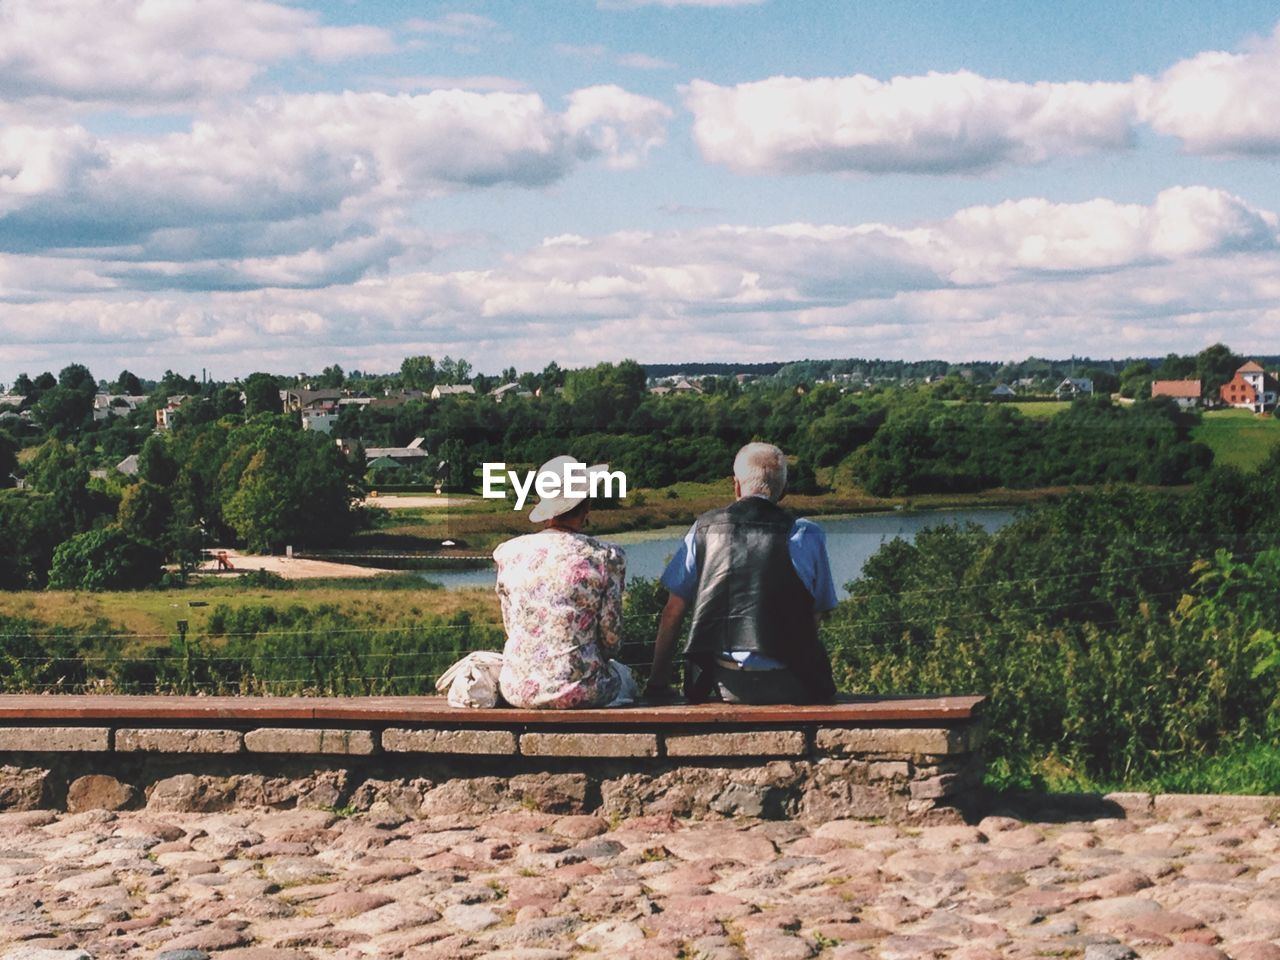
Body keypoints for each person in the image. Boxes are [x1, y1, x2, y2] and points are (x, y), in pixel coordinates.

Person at [645, 442, 838, 704]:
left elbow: (673, 610)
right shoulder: (807, 533)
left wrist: (658, 684)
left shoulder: (703, 529)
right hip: (794, 682)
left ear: (736, 485)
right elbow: (817, 612)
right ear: (783, 490)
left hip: (726, 682)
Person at [494, 455, 633, 709]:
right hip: (583, 690)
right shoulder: (606, 557)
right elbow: (611, 640)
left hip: (517, 689)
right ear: (586, 503)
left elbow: (512, 627)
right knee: (625, 678)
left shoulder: (508, 553)